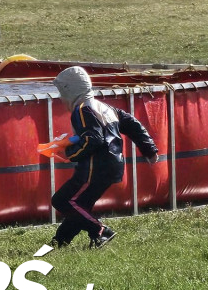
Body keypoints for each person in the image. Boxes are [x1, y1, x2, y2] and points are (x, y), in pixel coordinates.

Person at [49, 66, 159, 248]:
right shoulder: (104, 107)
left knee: (62, 200)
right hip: (113, 165)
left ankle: (101, 230)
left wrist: (70, 153)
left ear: (71, 90)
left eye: (61, 92)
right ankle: (61, 241)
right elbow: (132, 124)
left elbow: (93, 139)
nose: (60, 98)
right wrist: (149, 149)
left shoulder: (82, 109)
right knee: (80, 204)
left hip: (95, 167)